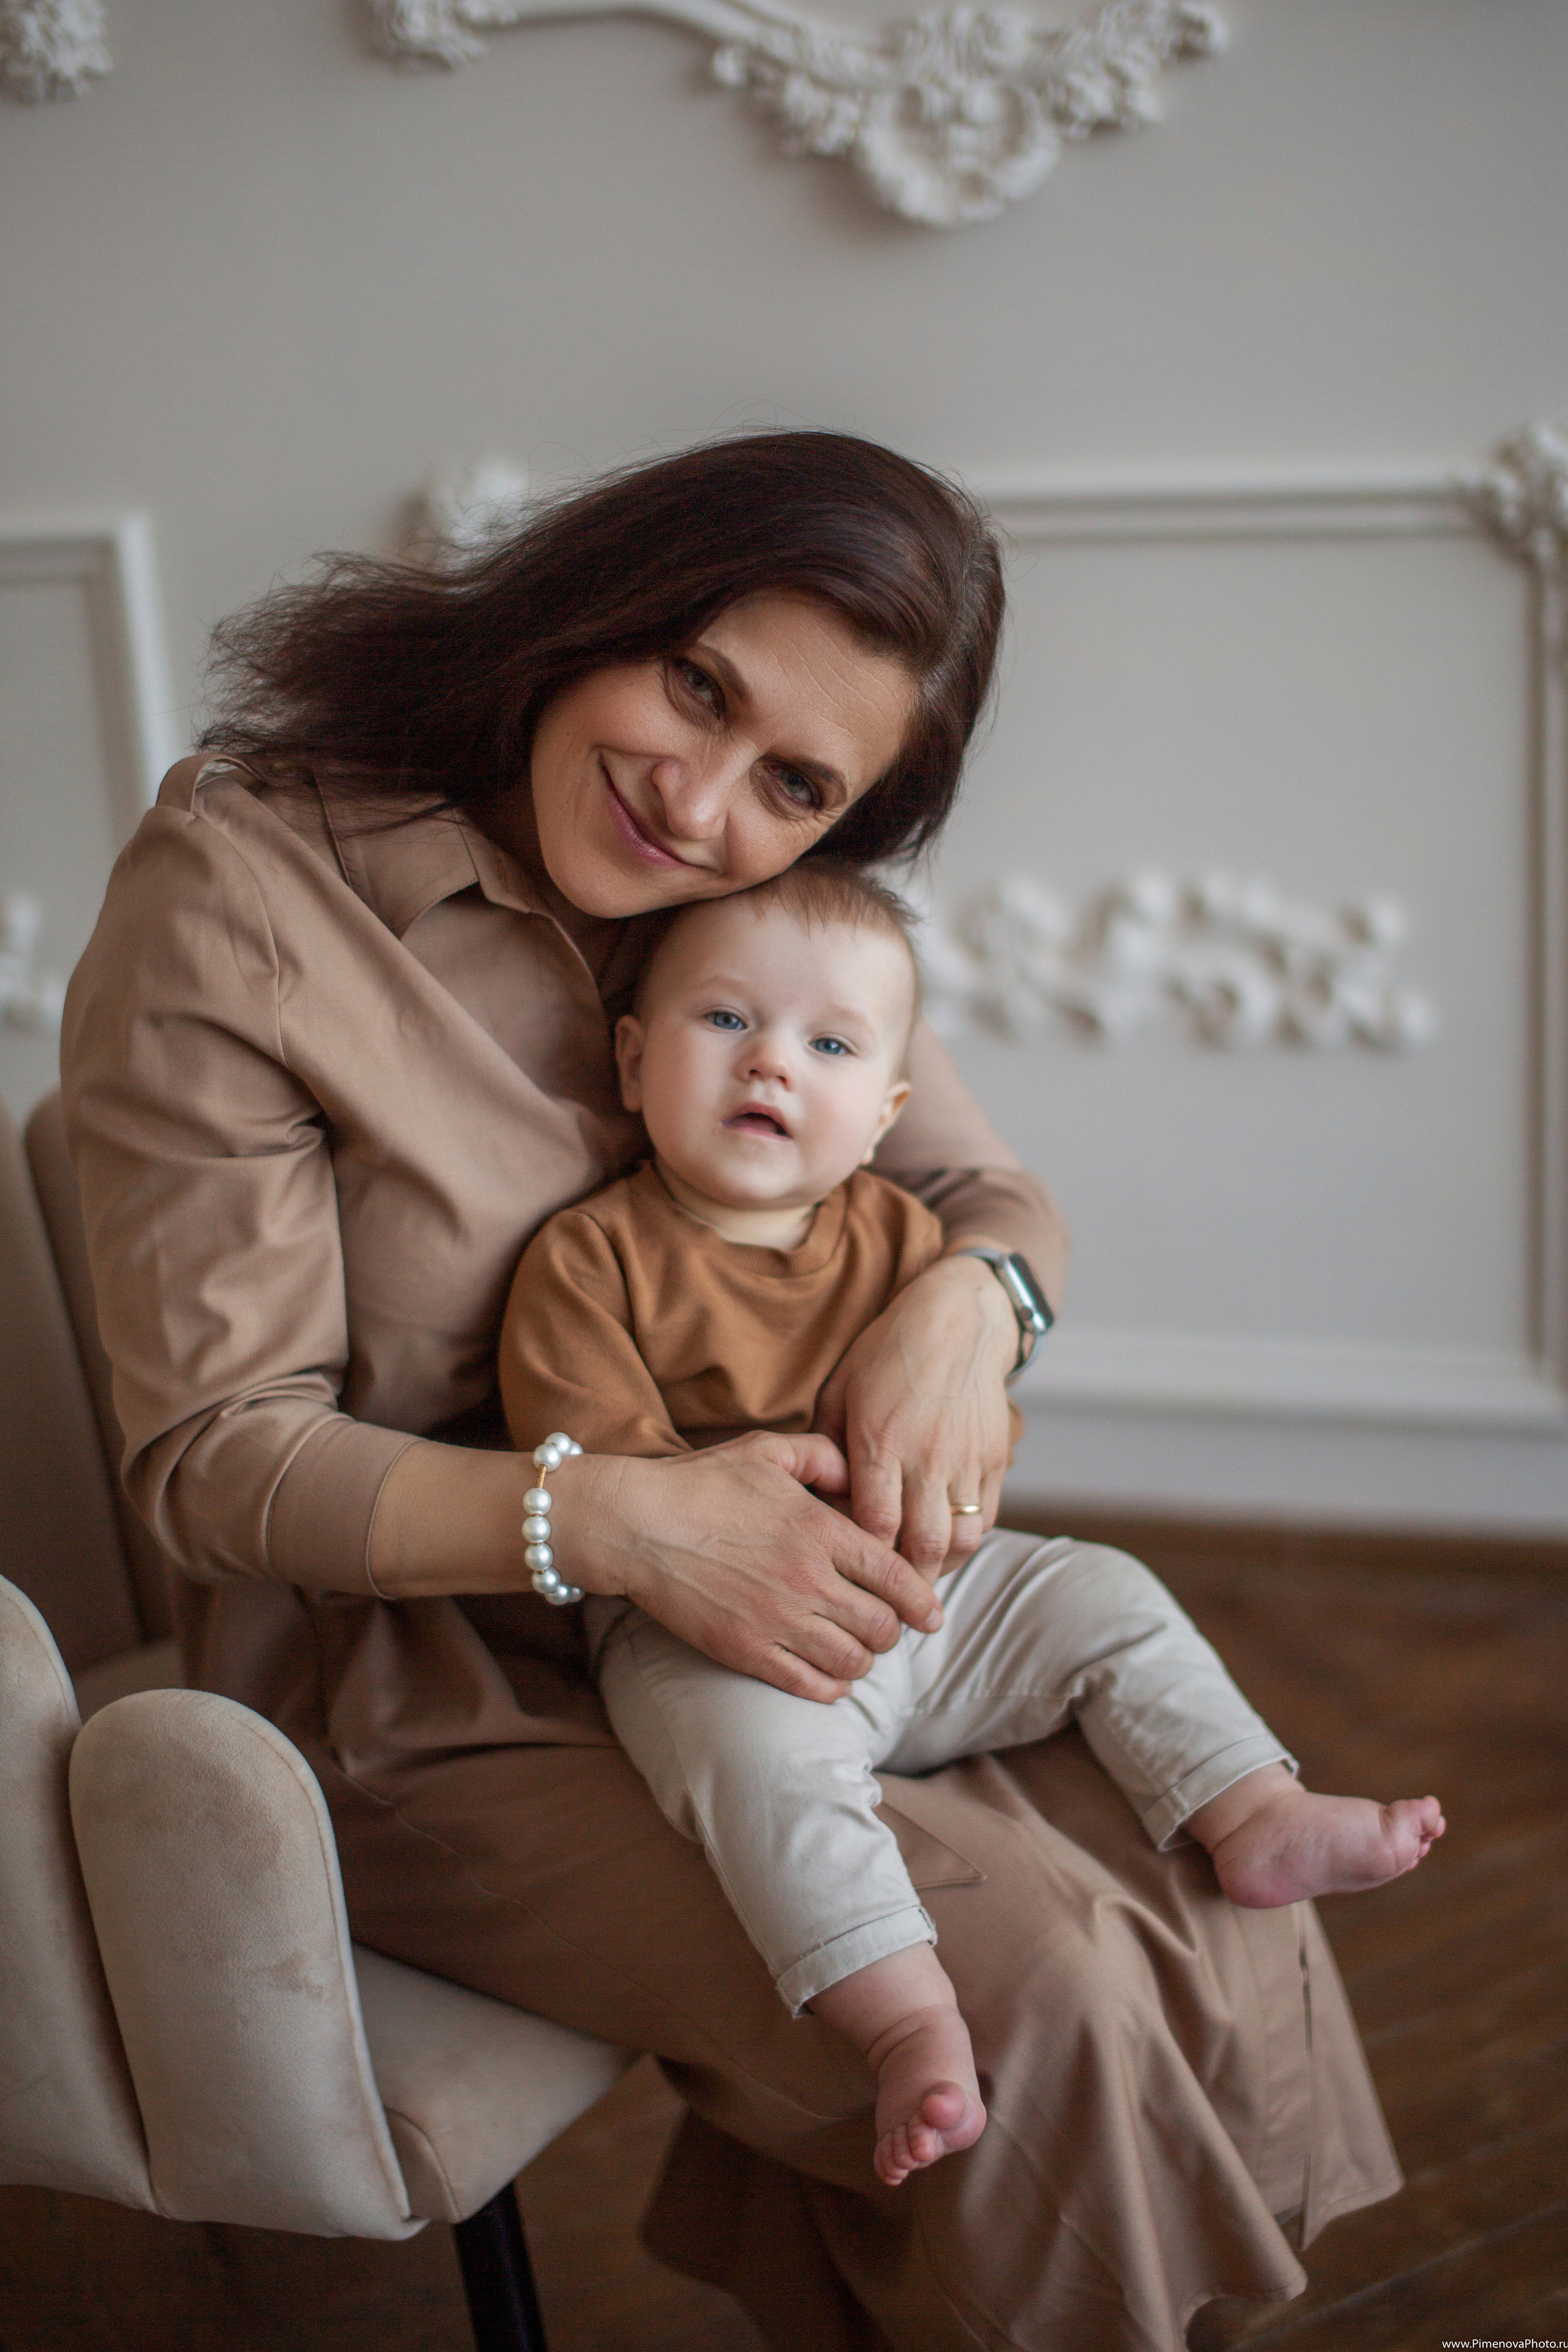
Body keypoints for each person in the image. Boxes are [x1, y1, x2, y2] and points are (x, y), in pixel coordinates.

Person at [62, 432, 1405, 2351]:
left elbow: (993, 1200)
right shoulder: (249, 895)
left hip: (798, 1619)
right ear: (591, 600)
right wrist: (618, 1518)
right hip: (418, 1698)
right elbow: (214, 1460)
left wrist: (967, 1314)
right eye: (696, 685)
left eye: (797, 782)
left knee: (1202, 1870)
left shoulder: (766, 886)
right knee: (1038, 1990)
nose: (698, 806)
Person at [497, 864, 1444, 2192]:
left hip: (930, 1601)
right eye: (726, 1021)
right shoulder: (589, 1258)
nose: (772, 1061)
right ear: (633, 1058)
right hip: (711, 1632)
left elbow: (967, 1434)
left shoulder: (905, 1243)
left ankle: (1255, 1810)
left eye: (829, 1046)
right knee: (758, 1776)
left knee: (1106, 1593)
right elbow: (599, 1470)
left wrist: (959, 1465)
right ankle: (903, 2021)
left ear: (886, 1113)